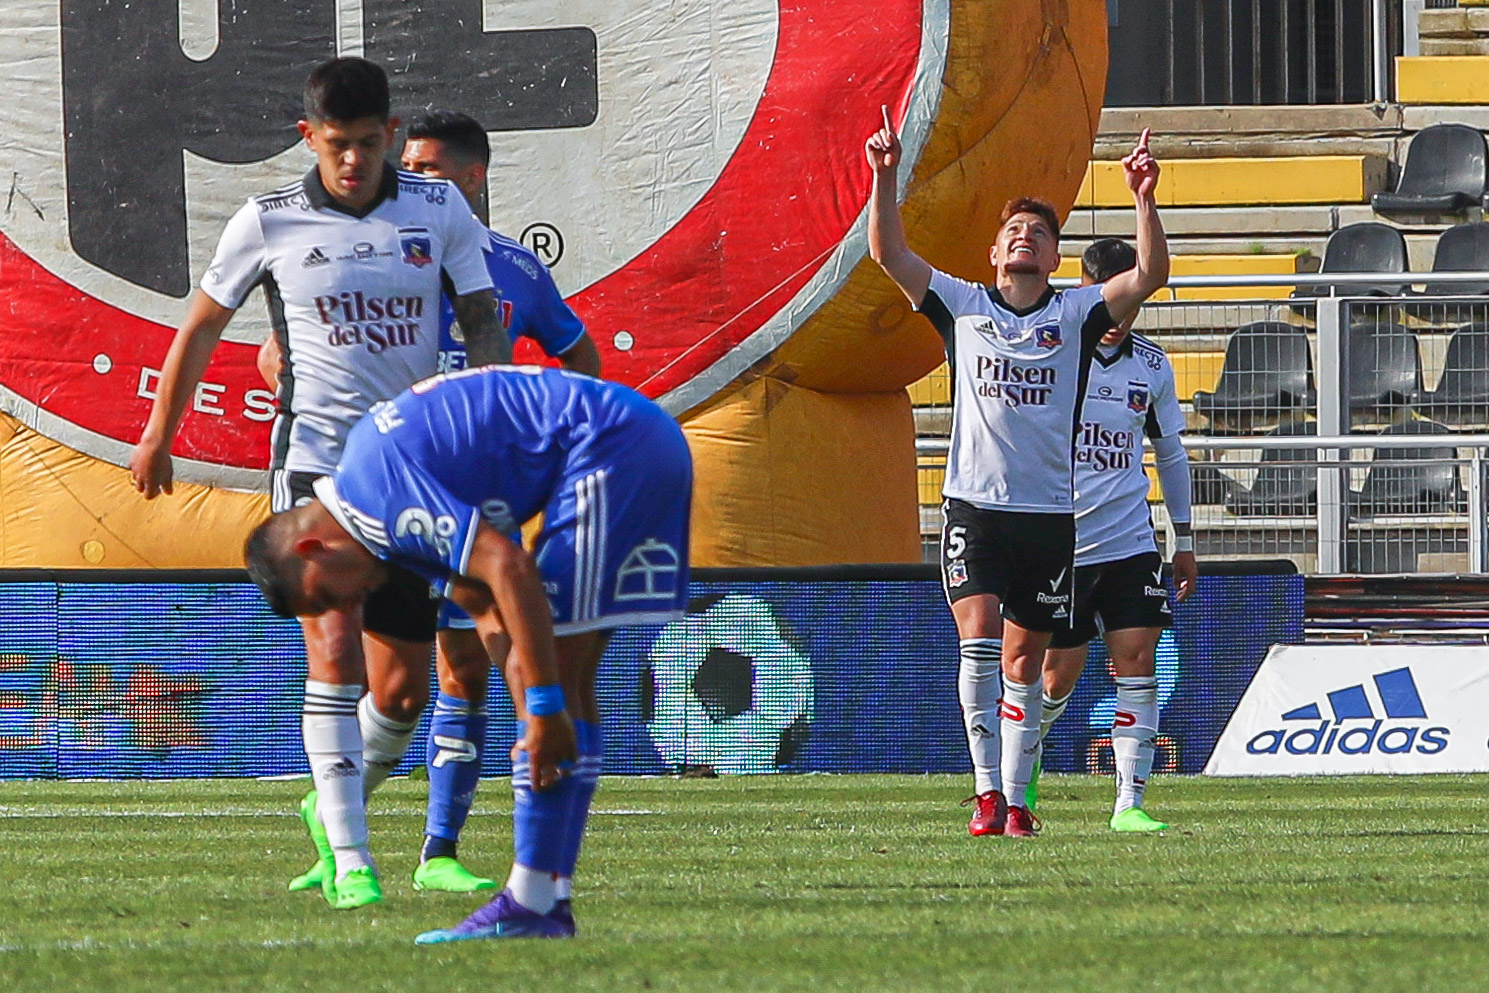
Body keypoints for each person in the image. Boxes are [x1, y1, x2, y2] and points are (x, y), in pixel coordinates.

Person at [129, 58, 511, 910]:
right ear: (310, 137)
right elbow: (200, 326)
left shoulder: (438, 209)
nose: (353, 161)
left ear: (388, 135)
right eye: (337, 145)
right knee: (332, 648)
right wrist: (160, 432)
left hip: (412, 471)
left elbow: (483, 319)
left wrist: (490, 416)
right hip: (314, 466)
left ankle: (327, 801)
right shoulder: (267, 222)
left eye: (369, 145)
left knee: (405, 691)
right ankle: (351, 858)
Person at [257, 110, 602, 895]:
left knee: (474, 661)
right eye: (405, 167)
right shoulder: (381, 254)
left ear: (473, 179)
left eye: (429, 170)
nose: (410, 182)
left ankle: (438, 847)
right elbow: (278, 348)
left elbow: (574, 345)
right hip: (387, 483)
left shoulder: (514, 269)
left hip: (477, 479)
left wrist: (562, 423)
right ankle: (344, 829)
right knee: (394, 672)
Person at [242, 364, 693, 941]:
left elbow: (508, 565)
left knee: (567, 679)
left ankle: (534, 903)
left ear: (313, 547)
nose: (350, 608)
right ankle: (544, 898)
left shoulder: (379, 497)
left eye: (331, 594)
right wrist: (534, 706)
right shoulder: (372, 512)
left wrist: (545, 704)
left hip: (612, 448)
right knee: (563, 682)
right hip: (628, 439)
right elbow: (483, 602)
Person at [865, 108, 1169, 838]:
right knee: (977, 637)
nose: (1023, 237)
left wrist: (1143, 197)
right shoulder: (962, 305)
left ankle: (1018, 799)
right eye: (1012, 232)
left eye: (1037, 232)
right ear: (994, 252)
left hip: (1047, 517)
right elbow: (887, 254)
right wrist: (882, 177)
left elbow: (1150, 274)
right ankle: (985, 793)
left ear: (1054, 254)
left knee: (1026, 657)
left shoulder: (1074, 313)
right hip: (974, 506)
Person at [1030, 238, 1197, 832]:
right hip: (1062, 545)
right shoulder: (1051, 355)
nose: (1119, 315)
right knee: (1055, 679)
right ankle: (1022, 762)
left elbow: (1170, 454)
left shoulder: (1151, 366)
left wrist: (1185, 538)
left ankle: (1130, 804)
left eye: (1131, 301)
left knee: (1136, 662)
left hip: (1131, 543)